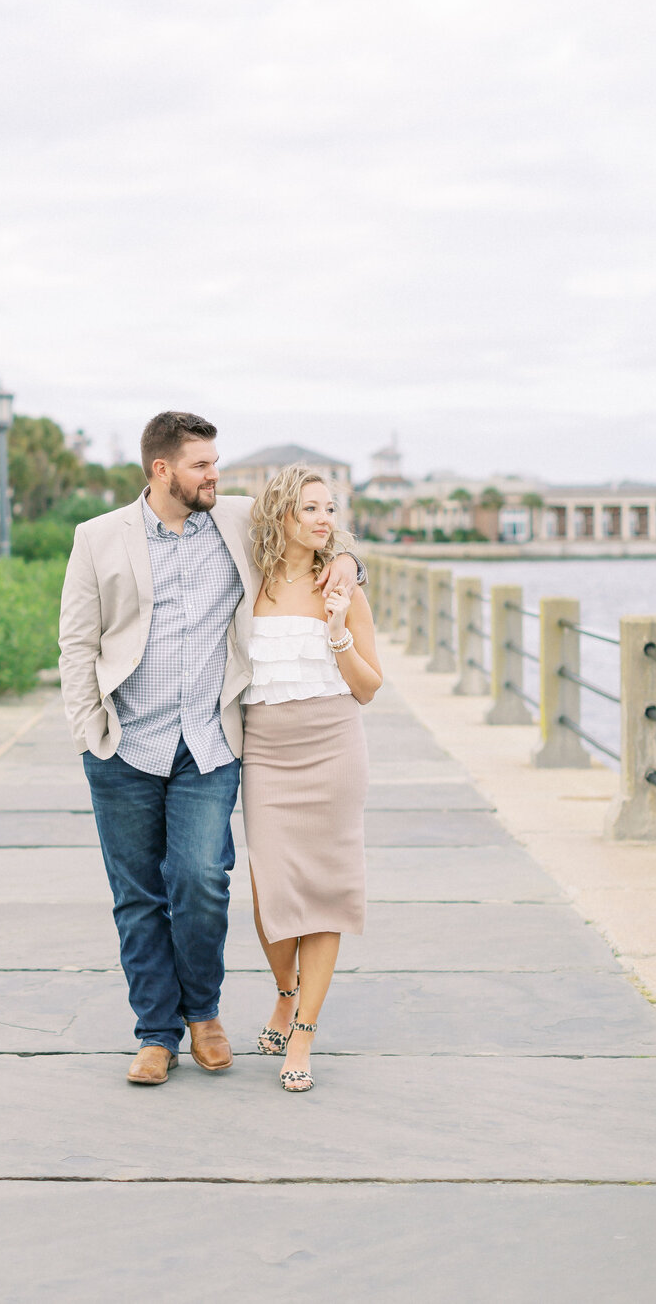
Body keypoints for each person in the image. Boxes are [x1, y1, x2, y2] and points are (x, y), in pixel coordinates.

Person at [58, 412, 363, 1085]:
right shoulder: (98, 537)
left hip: (208, 743)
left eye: (215, 465)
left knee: (200, 882)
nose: (215, 476)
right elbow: (77, 642)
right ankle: (156, 1034)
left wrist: (347, 559)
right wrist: (89, 731)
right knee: (137, 895)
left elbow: (315, 527)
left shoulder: (234, 520)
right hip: (124, 746)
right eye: (202, 466)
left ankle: (204, 1013)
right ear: (162, 469)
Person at [241, 464, 383, 1093]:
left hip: (332, 748)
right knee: (269, 888)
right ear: (281, 515)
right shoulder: (248, 579)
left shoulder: (345, 589)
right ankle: (284, 989)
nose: (326, 520)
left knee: (324, 892)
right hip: (266, 755)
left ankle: (304, 1030)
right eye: (311, 509)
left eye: (331, 509)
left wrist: (336, 634)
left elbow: (369, 688)